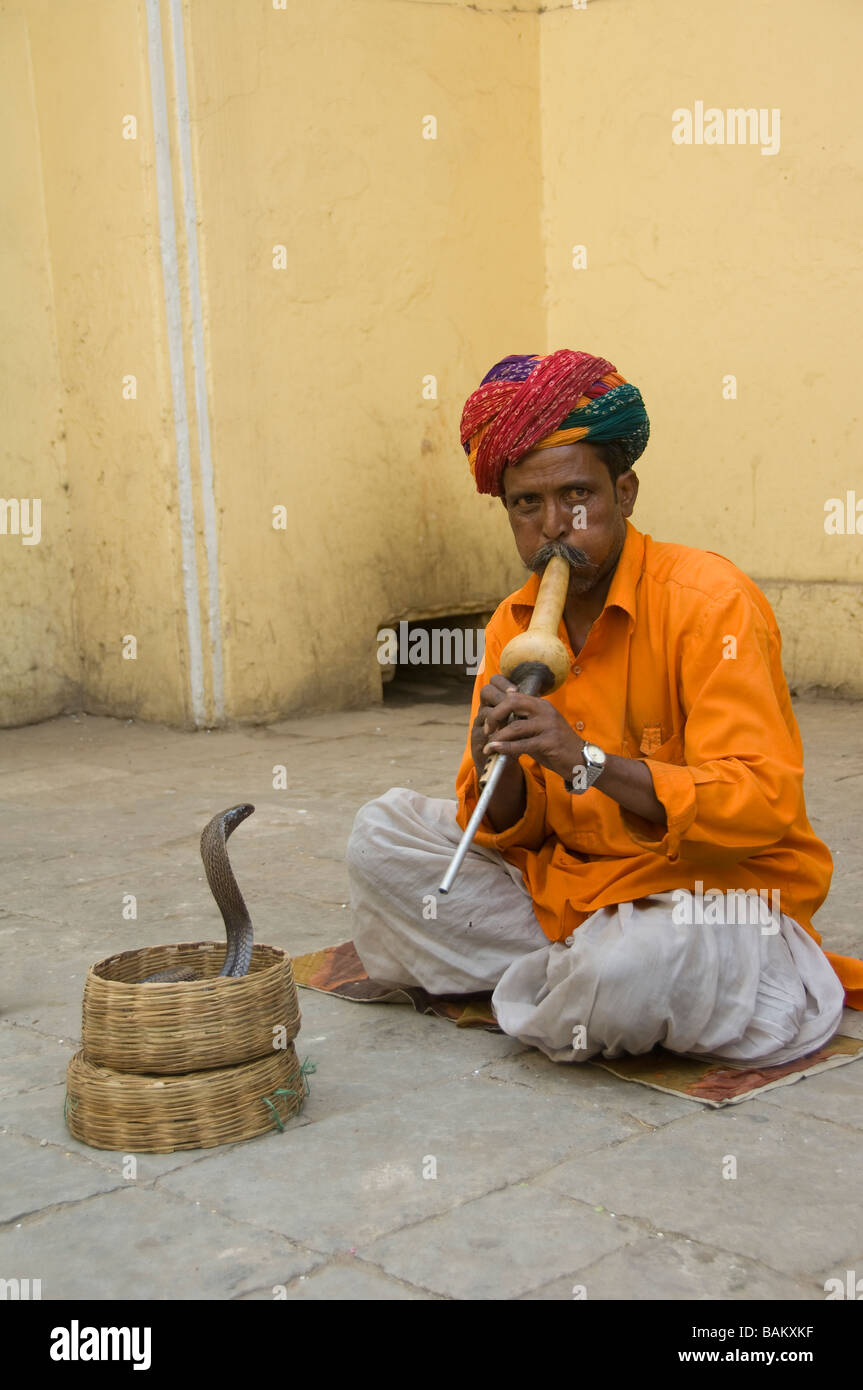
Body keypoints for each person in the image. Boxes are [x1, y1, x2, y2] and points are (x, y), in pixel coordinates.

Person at [346, 349, 863, 1067]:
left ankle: (616, 980)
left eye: (576, 497)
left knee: (631, 965)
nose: (553, 525)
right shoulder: (512, 624)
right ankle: (578, 980)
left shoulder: (710, 603)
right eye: (527, 504)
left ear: (624, 492)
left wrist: (583, 760)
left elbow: (759, 802)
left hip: (699, 898)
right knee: (380, 836)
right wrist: (500, 764)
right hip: (569, 893)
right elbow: (500, 832)